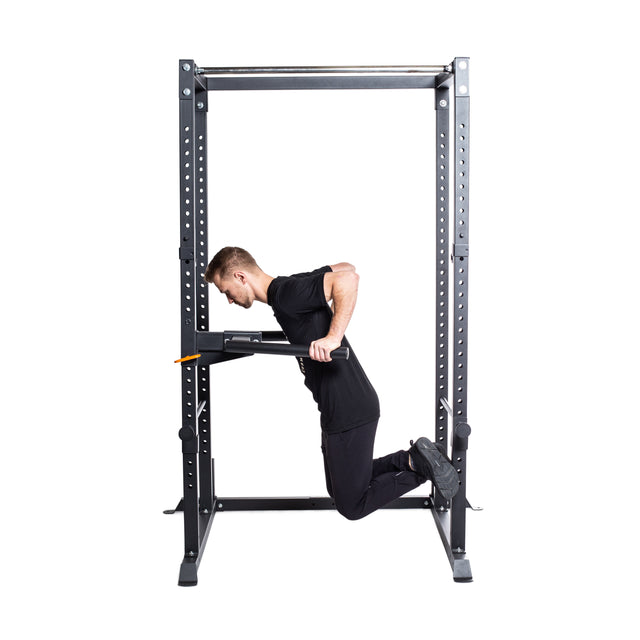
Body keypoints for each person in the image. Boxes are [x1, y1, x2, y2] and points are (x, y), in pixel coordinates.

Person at [204, 246, 459, 520]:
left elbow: (348, 280)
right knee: (338, 488)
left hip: (349, 407)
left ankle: (423, 469)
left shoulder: (286, 294)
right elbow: (345, 267)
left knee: (351, 505)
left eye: (225, 290)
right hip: (339, 405)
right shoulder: (288, 288)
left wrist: (334, 336)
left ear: (241, 277)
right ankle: (410, 459)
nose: (228, 299)